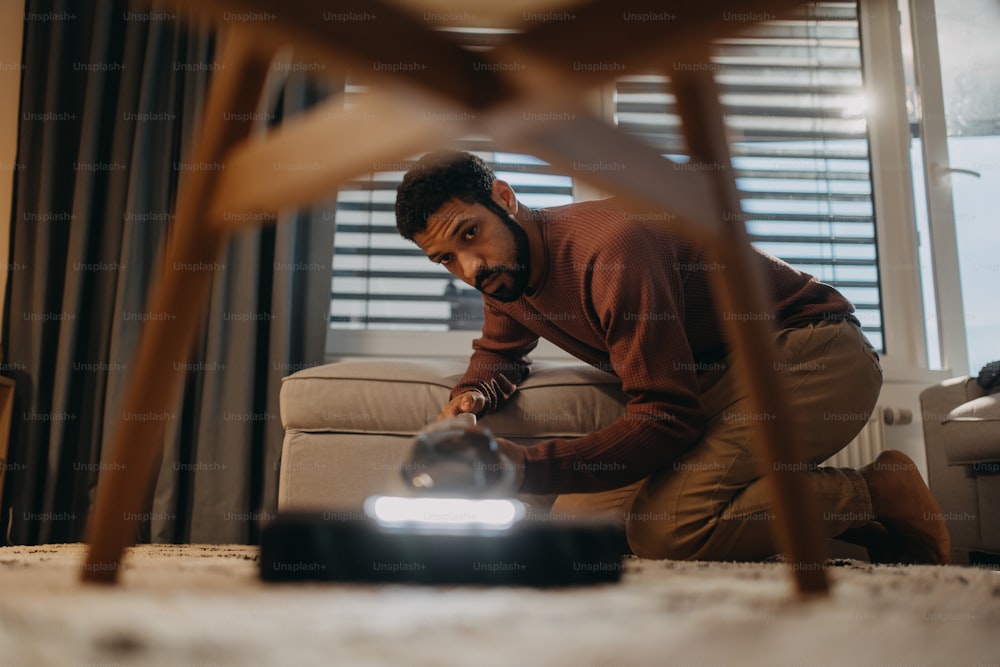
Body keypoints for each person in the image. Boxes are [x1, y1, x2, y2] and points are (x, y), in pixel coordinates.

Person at [394, 149, 951, 564]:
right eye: (447, 259)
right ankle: (865, 538)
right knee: (579, 520)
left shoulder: (610, 251)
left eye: (471, 234)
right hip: (719, 378)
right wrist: (467, 401)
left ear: (506, 199)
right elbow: (499, 355)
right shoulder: (504, 279)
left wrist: (520, 466)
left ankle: (875, 492)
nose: (470, 269)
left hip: (813, 350)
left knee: (668, 531)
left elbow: (666, 415)